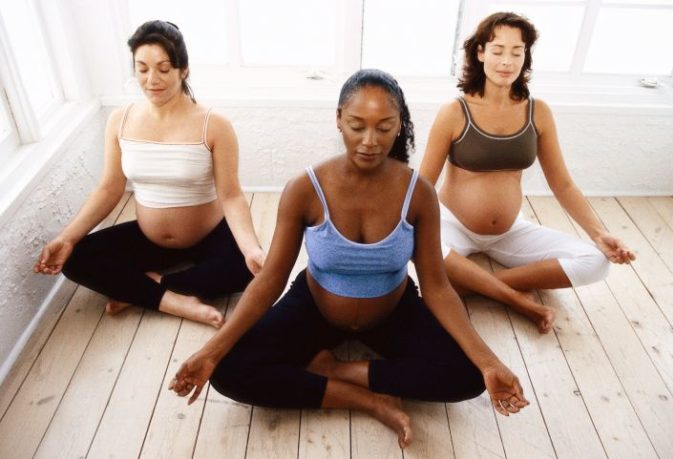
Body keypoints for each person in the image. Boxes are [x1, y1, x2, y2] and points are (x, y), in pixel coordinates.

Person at [168, 69, 529, 448]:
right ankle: (366, 400)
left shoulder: (418, 193)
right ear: (338, 118)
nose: (370, 141)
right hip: (316, 307)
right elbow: (269, 280)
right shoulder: (305, 189)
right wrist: (210, 352)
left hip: (392, 311)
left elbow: (437, 287)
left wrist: (490, 363)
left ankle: (337, 370)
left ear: (400, 125)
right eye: (357, 125)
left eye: (385, 127)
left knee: (470, 377)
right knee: (227, 372)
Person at [34, 20, 264, 327]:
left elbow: (232, 195)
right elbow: (109, 188)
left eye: (164, 68)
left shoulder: (214, 124)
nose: (152, 79)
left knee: (248, 267)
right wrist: (66, 237)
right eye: (142, 69)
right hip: (149, 237)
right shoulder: (120, 120)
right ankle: (174, 300)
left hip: (206, 235)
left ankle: (145, 287)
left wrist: (251, 248)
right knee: (75, 258)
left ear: (184, 70)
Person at [419, 12, 635, 334]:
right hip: (452, 225)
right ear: (480, 53)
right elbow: (423, 185)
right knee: (418, 256)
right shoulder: (454, 112)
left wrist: (598, 234)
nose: (506, 61)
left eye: (516, 52)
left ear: (525, 57)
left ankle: (479, 286)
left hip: (509, 232)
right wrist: (406, 234)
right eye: (498, 50)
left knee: (596, 263)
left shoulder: (539, 113)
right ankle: (516, 299)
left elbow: (562, 184)